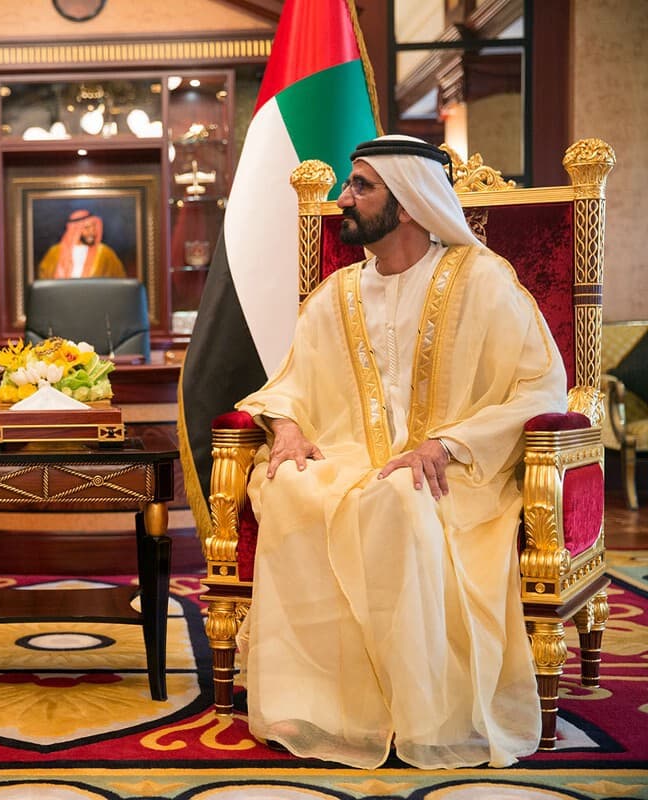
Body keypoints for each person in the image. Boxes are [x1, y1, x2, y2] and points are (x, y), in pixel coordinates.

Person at [233, 135, 565, 769]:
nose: (342, 199)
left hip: (460, 471)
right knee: (292, 486)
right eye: (347, 185)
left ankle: (422, 714)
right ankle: (317, 705)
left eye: (361, 186)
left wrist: (448, 442)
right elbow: (293, 384)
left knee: (401, 499)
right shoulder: (337, 294)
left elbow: (539, 387)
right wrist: (289, 430)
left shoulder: (484, 281)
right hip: (351, 457)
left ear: (408, 203)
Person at [37, 208, 126, 279]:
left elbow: (119, 279)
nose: (92, 232)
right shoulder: (55, 252)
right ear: (75, 230)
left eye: (94, 226)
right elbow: (44, 279)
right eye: (86, 228)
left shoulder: (104, 252)